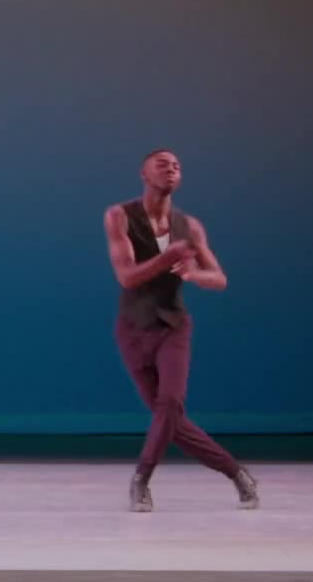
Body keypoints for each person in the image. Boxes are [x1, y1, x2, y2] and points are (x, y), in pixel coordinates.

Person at [103, 149, 259, 512]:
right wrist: (169, 257)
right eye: (162, 165)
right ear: (144, 174)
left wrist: (192, 274)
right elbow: (127, 277)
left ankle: (141, 479)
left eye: (176, 166)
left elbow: (219, 278)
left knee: (170, 404)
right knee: (170, 420)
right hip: (133, 328)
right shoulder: (120, 216)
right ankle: (236, 473)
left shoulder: (190, 226)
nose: (171, 169)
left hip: (173, 326)